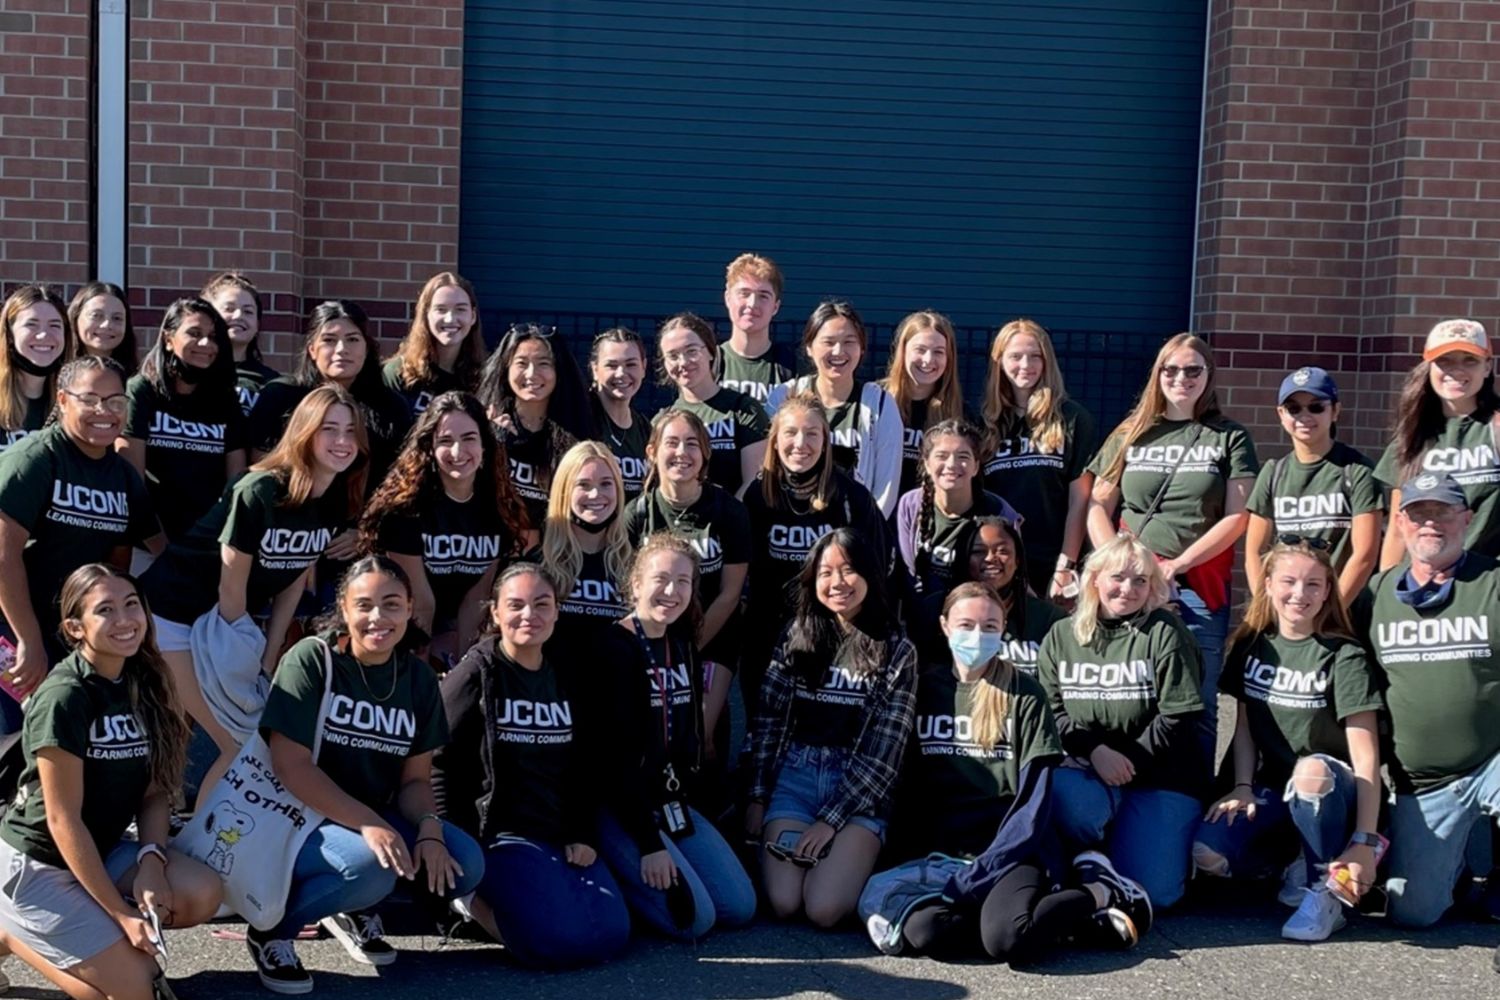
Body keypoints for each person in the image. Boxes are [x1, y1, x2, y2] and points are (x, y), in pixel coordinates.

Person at [872, 582, 1152, 960]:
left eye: (990, 626)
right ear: (944, 626)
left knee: (1007, 940)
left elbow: (1032, 810)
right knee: (924, 932)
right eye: (966, 624)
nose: (978, 635)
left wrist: (983, 870)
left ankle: (1102, 890)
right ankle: (1065, 924)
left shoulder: (1025, 694)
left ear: (1003, 629)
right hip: (946, 852)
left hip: (1013, 849)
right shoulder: (924, 688)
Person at [251, 556, 484, 993]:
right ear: (344, 607)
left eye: (392, 604)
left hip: (369, 819)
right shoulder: (313, 659)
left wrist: (430, 830)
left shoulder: (417, 678)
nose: (378, 617)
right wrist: (371, 825)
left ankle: (353, 906)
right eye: (365, 605)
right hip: (297, 814)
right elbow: (291, 765)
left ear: (410, 608)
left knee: (464, 863)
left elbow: (415, 781)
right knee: (371, 868)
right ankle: (272, 929)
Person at [0, 565, 222, 1000]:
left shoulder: (146, 679)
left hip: (96, 850)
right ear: (74, 627)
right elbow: (63, 821)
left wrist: (153, 862)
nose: (124, 620)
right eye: (105, 610)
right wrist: (121, 915)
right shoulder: (65, 696)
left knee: (200, 892)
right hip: (39, 863)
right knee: (136, 991)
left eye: (131, 604)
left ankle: (73, 939)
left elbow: (157, 790)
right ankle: (12, 936)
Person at [140, 385, 366, 805]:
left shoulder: (335, 498)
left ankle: (194, 830)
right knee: (226, 739)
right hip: (173, 617)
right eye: (329, 429)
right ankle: (187, 836)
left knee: (231, 740)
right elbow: (231, 584)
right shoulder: (259, 489)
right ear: (304, 432)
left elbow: (294, 577)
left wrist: (269, 652)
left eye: (350, 431)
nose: (341, 441)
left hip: (226, 624)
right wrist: (238, 656)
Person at [432, 563, 632, 968]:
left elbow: (584, 764)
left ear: (557, 611)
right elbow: (437, 761)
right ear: (496, 614)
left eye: (542, 604)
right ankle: (469, 902)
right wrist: (451, 844)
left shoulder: (567, 672)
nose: (530, 615)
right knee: (556, 942)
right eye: (516, 605)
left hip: (558, 832)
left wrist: (582, 832)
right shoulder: (476, 673)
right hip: (501, 834)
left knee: (612, 931)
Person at [1193, 537, 1384, 941]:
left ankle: (1323, 887)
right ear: (1267, 584)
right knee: (1206, 853)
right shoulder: (1250, 643)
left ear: (1328, 591)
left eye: (1314, 584)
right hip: (1274, 789)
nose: (1300, 594)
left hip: (1332, 793)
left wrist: (1365, 838)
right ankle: (1287, 857)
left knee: (1310, 772)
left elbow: (1366, 759)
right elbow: (1244, 726)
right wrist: (1242, 786)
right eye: (1290, 581)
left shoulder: (1343, 655)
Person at [1086, 333, 1257, 752]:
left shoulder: (1229, 437)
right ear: (1158, 374)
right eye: (1172, 369)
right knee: (1129, 691)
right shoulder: (1132, 432)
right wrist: (1122, 566)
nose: (1182, 378)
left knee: (1197, 700)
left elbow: (1238, 517)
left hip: (1195, 588)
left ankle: (1192, 797)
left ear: (1208, 375)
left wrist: (1175, 566)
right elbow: (1096, 505)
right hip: (1131, 588)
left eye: (1193, 370)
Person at [747, 528, 916, 928]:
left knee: (822, 909)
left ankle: (856, 853)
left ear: (871, 575)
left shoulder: (897, 649)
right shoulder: (796, 635)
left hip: (859, 793)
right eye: (826, 572)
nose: (837, 583)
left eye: (849, 570)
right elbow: (768, 721)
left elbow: (884, 755)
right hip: (795, 778)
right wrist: (756, 796)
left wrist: (832, 821)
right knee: (785, 902)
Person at [1354, 472, 1500, 928]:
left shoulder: (1493, 582)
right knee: (1412, 912)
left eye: (1443, 512)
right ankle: (1455, 869)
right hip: (1424, 781)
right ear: (1400, 522)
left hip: (1492, 759)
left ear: (1467, 518)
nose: (1431, 524)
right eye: (1420, 513)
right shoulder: (1377, 594)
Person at [595, 533, 757, 940]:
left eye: (683, 582)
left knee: (738, 906)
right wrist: (650, 845)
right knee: (696, 921)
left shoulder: (681, 641)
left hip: (668, 803)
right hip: (620, 808)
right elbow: (612, 764)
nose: (672, 591)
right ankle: (619, 869)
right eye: (661, 578)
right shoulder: (615, 649)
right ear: (635, 584)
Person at [1037, 534, 1208, 909]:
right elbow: (1052, 711)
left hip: (1161, 774)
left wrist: (1128, 761)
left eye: (1140, 580)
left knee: (1156, 893)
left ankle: (1137, 846)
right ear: (1094, 579)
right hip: (1090, 766)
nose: (1127, 589)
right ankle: (1092, 853)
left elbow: (1179, 715)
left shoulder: (1164, 631)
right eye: (1117, 577)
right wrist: (1095, 752)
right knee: (1064, 798)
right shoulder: (1062, 634)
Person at [0, 356, 164, 734]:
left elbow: (117, 567)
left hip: (68, 633)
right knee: (10, 735)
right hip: (12, 630)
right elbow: (5, 557)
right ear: (62, 400)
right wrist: (28, 639)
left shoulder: (123, 476)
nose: (103, 411)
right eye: (89, 399)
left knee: (59, 736)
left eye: (115, 402)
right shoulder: (35, 460)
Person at [741, 395, 887, 714]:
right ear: (775, 441)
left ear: (825, 441)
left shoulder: (852, 497)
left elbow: (875, 570)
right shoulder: (758, 496)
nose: (800, 443)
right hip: (768, 636)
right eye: (790, 432)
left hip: (834, 632)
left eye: (812, 434)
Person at [360, 391, 530, 665]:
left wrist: (463, 672)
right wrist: (424, 678)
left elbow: (476, 599)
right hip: (401, 625)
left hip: (455, 626)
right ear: (429, 447)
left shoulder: (498, 508)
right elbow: (419, 603)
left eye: (469, 439)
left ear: (485, 444)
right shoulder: (406, 510)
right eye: (445, 441)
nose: (457, 452)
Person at [624, 409, 749, 736]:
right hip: (653, 640)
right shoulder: (637, 513)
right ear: (652, 451)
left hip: (712, 637)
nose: (682, 452)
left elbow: (730, 592)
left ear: (705, 452)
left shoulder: (729, 511)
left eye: (692, 444)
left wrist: (688, 647)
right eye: (672, 443)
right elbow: (630, 588)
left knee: (700, 733)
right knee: (656, 731)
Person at [982, 319, 1099, 597]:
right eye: (1016, 356)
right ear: (999, 362)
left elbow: (1080, 499)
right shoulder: (984, 424)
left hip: (1054, 564)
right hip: (1000, 564)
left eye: (1036, 356)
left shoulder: (1073, 419)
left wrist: (1065, 565)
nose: (1026, 365)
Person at [1245, 367, 1382, 601]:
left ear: (1335, 411)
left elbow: (1365, 555)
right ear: (1281, 414)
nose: (1304, 416)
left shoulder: (1357, 470)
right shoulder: (1273, 472)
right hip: (1288, 609)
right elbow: (1253, 553)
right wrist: (1269, 607)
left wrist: (1330, 613)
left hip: (1342, 611)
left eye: (1316, 406)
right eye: (1294, 408)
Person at [119, 296, 248, 540]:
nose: (205, 343)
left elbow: (236, 481)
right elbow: (132, 481)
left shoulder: (225, 398)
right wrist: (161, 547)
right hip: (149, 542)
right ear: (169, 340)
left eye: (213, 337)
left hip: (206, 543)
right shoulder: (142, 390)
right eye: (194, 333)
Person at [247, 299, 412, 488]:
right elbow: (260, 467)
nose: (341, 350)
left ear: (366, 348)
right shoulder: (281, 396)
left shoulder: (391, 406)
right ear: (312, 349)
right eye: (329, 340)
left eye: (352, 339)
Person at [1376, 319, 1500, 566]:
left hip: (1486, 586)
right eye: (1445, 361)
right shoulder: (1412, 435)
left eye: (1470, 360)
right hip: (1421, 584)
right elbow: (1398, 531)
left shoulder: (1495, 429)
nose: (1457, 370)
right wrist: (1383, 591)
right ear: (1429, 367)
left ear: (1487, 367)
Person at [767, 301, 904, 519]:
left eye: (849, 342)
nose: (839, 351)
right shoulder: (784, 396)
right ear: (810, 348)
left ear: (862, 348)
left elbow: (886, 487)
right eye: (829, 342)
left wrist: (862, 535)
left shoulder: (879, 404)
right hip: (794, 527)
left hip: (855, 533)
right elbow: (769, 467)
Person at [475, 322, 596, 527]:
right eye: (522, 363)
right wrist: (491, 442)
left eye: (544, 363)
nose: (532, 374)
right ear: (506, 368)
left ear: (559, 370)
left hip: (554, 546)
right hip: (498, 543)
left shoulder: (578, 430)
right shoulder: (484, 425)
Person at [894, 419, 1021, 600]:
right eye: (942, 456)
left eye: (963, 456)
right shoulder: (910, 504)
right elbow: (909, 574)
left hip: (980, 610)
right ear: (927, 464)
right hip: (924, 610)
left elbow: (1010, 579)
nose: (952, 464)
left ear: (975, 466)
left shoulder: (999, 512)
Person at [659, 312, 768, 499]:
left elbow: (754, 482)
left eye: (692, 351)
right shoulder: (663, 421)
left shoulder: (744, 410)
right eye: (673, 356)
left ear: (710, 352)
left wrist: (728, 518)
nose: (683, 362)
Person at [536, 441, 634, 639]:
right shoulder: (537, 566)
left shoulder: (634, 568)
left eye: (606, 483)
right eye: (583, 485)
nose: (596, 494)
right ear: (564, 491)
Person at [881, 309, 965, 499]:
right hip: (876, 517)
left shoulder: (959, 413)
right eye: (920, 350)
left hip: (927, 519)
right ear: (903, 351)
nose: (928, 360)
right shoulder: (877, 401)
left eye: (938, 352)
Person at [382, 271, 486, 417]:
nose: (450, 319)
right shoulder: (398, 373)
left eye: (460, 309)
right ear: (426, 315)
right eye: (441, 310)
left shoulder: (484, 378)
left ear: (473, 316)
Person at [0, 284, 71, 454]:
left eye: (54, 326)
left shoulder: (74, 404)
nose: (44, 335)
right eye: (31, 324)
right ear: (9, 335)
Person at [715, 252, 793, 403]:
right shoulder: (709, 363)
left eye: (763, 296)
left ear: (775, 307)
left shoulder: (792, 367)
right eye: (744, 293)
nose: (752, 304)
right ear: (727, 299)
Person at [588, 327, 652, 503]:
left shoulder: (645, 429)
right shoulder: (579, 419)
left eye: (631, 364)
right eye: (611, 365)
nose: (621, 374)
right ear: (595, 369)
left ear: (643, 367)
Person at [201, 271, 279, 415]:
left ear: (257, 325)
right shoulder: (189, 374)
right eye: (228, 309)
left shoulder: (273, 384)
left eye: (248, 312)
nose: (238, 316)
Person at [67, 281, 138, 375]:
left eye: (117, 318)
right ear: (76, 318)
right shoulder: (52, 378)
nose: (107, 325)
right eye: (96, 315)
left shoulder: (138, 383)